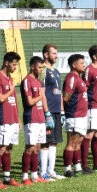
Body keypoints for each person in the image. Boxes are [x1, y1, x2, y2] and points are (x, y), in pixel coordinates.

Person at [0, 52, 22, 186]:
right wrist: (11, 90)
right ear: (6, 63)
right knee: (1, 148)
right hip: (3, 118)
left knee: (9, 149)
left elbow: (13, 101)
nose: (15, 67)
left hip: (12, 119)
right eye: (13, 64)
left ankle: (7, 177)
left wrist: (18, 119)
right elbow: (0, 98)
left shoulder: (10, 78)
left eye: (16, 65)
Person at [61, 53, 90, 176]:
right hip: (74, 115)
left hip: (82, 115)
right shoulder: (72, 77)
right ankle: (67, 169)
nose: (84, 65)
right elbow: (66, 97)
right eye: (81, 63)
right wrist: (66, 112)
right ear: (74, 65)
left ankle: (77, 167)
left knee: (79, 142)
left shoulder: (79, 77)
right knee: (72, 142)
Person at [20, 55, 47, 182]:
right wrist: (41, 97)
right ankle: (25, 176)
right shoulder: (27, 81)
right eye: (39, 67)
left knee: (37, 147)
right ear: (32, 66)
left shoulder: (38, 81)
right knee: (30, 147)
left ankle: (35, 175)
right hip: (31, 118)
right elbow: (30, 102)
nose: (41, 70)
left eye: (42, 68)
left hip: (40, 118)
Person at [40, 43, 64, 180]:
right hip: (47, 111)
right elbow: (42, 93)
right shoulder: (43, 70)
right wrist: (46, 112)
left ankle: (51, 170)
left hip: (57, 111)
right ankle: (42, 172)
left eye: (56, 53)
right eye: (53, 53)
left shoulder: (56, 71)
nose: (56, 56)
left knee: (54, 141)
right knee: (45, 142)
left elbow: (59, 93)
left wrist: (62, 111)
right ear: (46, 54)